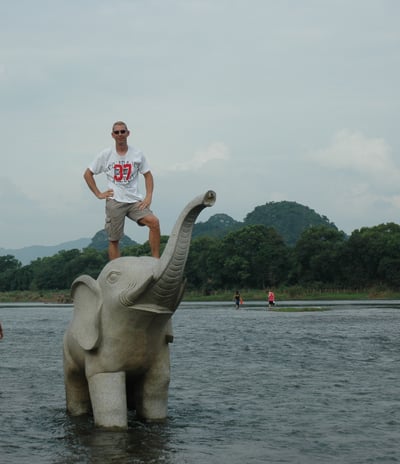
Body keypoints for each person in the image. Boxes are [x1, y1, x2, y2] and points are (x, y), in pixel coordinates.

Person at [84, 121, 160, 260]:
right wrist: (98, 194)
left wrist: (149, 196)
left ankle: (156, 261)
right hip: (115, 200)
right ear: (112, 135)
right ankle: (116, 272)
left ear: (128, 133)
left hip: (134, 201)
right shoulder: (106, 154)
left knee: (154, 222)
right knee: (114, 239)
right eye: (117, 132)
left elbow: (148, 175)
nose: (120, 134)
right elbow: (88, 174)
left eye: (122, 131)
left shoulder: (137, 153)